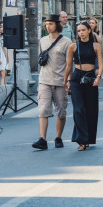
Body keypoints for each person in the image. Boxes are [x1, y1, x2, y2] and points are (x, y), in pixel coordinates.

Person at [32, 15, 73, 150]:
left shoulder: (66, 42)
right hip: (45, 81)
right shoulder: (42, 41)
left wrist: (69, 81)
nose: (47, 26)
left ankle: (58, 137)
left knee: (61, 111)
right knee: (43, 110)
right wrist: (39, 82)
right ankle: (42, 139)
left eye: (50, 24)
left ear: (57, 25)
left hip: (60, 82)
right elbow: (41, 62)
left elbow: (69, 64)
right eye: (46, 24)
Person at [64, 21, 103, 151]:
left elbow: (101, 64)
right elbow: (68, 66)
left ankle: (88, 139)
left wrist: (99, 77)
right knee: (78, 109)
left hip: (91, 78)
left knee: (91, 110)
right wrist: (66, 81)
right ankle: (81, 140)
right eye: (79, 31)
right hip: (76, 78)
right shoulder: (73, 47)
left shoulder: (96, 46)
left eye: (83, 30)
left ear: (89, 30)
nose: (81, 33)